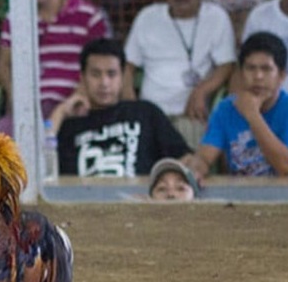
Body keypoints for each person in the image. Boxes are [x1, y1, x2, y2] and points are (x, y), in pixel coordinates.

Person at [0, 0, 111, 139]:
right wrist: (16, 98)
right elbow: (4, 64)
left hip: (73, 106)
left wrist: (72, 102)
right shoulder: (15, 17)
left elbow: (100, 64)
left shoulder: (89, 15)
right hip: (28, 110)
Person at [123, 0, 237, 150]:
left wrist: (202, 90)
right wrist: (133, 109)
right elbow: (127, 68)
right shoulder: (147, 17)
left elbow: (226, 65)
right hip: (150, 115)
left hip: (190, 115)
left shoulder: (216, 17)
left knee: (187, 168)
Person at [51, 38, 193, 177]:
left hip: (137, 199)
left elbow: (186, 160)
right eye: (95, 74)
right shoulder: (69, 125)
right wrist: (61, 110)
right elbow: (40, 160)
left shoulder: (146, 113)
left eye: (111, 74)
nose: (104, 83)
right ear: (82, 77)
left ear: (123, 77)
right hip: (81, 199)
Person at [187, 32, 288, 178]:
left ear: (281, 76)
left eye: (266, 69)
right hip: (241, 195)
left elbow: (286, 165)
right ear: (240, 73)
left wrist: (252, 115)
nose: (258, 76)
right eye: (251, 68)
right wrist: (196, 168)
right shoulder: (226, 108)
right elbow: (205, 158)